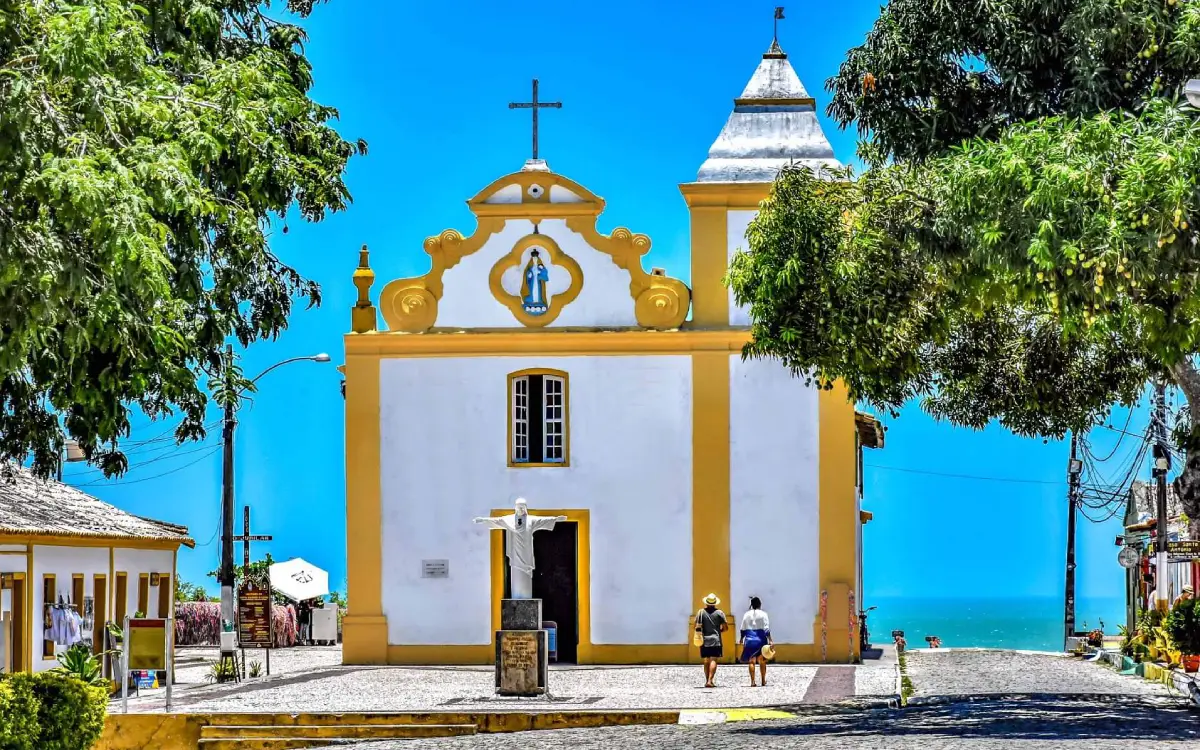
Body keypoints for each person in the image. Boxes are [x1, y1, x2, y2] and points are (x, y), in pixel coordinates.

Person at [695, 593, 728, 688]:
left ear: (706, 603)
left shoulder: (700, 612)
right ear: (715, 603)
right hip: (716, 640)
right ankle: (710, 680)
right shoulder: (719, 613)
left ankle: (706, 681)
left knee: (706, 660)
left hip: (704, 639)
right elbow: (725, 628)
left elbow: (695, 626)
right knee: (713, 659)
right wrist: (719, 631)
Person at [739, 596, 772, 687]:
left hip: (749, 639)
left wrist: (742, 638)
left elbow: (742, 628)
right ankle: (763, 680)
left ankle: (753, 682)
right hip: (760, 639)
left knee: (751, 661)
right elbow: (766, 628)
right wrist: (770, 639)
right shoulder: (763, 614)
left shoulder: (746, 614)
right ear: (759, 604)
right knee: (762, 661)